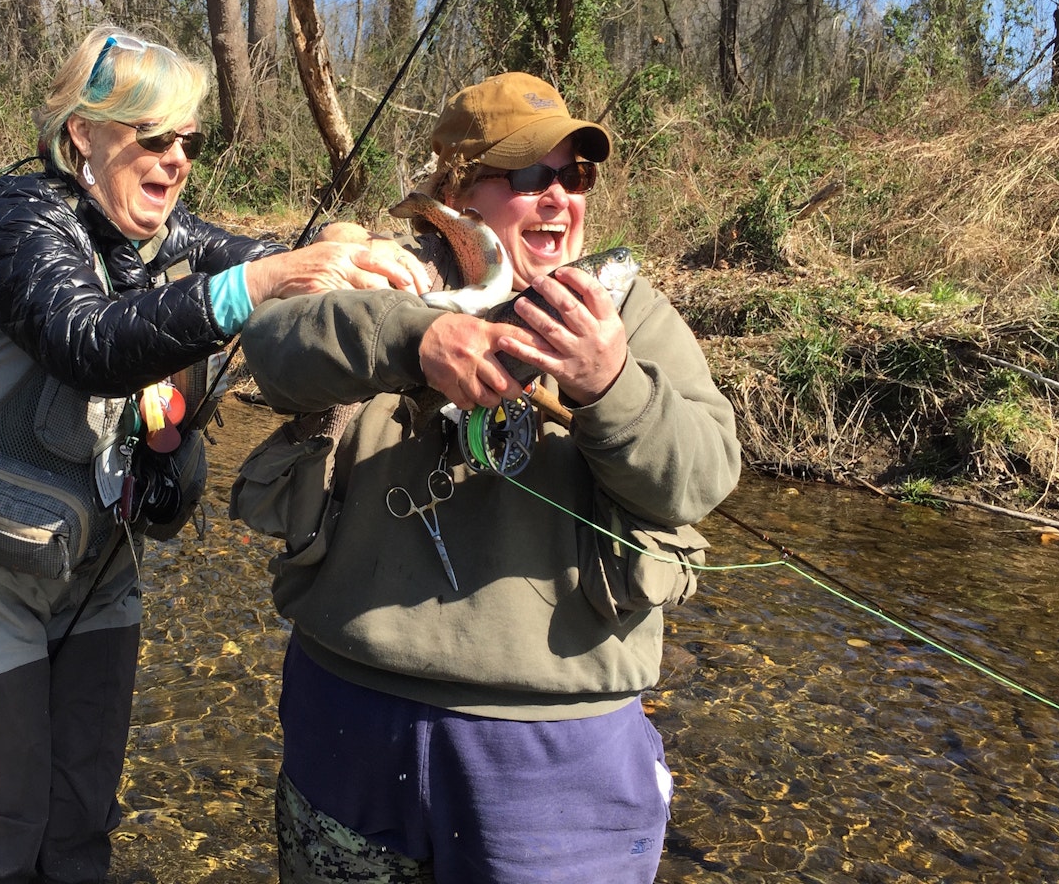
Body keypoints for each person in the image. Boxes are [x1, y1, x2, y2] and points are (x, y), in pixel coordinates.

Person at [0, 25, 428, 884]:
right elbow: (87, 339)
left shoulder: (150, 229)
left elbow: (248, 255)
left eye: (189, 143)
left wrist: (338, 258)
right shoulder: (14, 223)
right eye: (153, 136)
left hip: (94, 561)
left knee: (80, 820)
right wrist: (265, 283)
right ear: (81, 136)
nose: (175, 161)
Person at [232, 72, 741, 883]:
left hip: (558, 756)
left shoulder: (627, 312)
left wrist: (611, 385)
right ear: (457, 189)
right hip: (349, 721)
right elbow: (270, 347)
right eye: (531, 174)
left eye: (576, 176)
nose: (560, 197)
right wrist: (415, 340)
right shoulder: (384, 276)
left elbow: (703, 480)